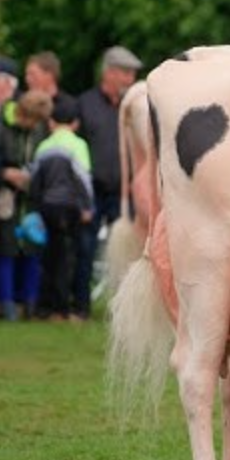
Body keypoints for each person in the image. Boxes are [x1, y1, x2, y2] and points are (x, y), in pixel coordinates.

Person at [72, 45, 141, 318]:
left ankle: (127, 310)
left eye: (133, 74)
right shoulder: (85, 104)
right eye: (125, 73)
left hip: (127, 192)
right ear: (109, 73)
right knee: (84, 249)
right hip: (92, 192)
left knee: (130, 253)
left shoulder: (137, 105)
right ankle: (80, 307)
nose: (130, 80)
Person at [0, 90, 53, 320]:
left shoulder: (40, 128)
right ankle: (6, 306)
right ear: (21, 113)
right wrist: (5, 173)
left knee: (33, 246)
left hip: (32, 197)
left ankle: (30, 304)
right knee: (5, 248)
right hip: (3, 196)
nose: (33, 126)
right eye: (31, 120)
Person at [29, 94, 93, 321]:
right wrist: (88, 207)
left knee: (49, 257)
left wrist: (35, 207)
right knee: (69, 258)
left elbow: (35, 180)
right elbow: (83, 179)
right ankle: (66, 308)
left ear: (51, 122)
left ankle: (45, 308)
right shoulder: (78, 145)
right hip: (71, 208)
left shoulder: (44, 146)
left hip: (47, 207)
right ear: (75, 123)